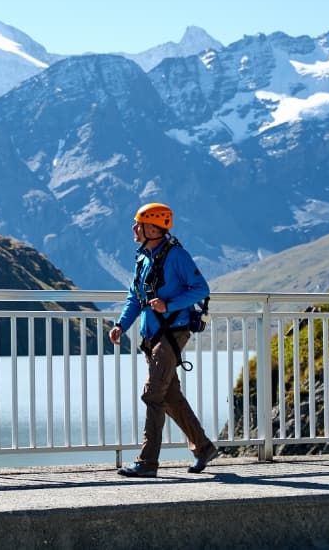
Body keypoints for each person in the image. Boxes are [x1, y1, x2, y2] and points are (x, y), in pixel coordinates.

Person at [109, 202, 218, 477]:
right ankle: (204, 448)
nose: (134, 228)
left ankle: (147, 463)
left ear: (154, 228)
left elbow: (200, 289)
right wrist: (121, 325)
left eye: (139, 224)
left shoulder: (177, 255)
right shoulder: (143, 258)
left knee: (152, 394)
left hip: (173, 331)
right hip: (152, 335)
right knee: (170, 396)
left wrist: (167, 306)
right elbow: (135, 298)